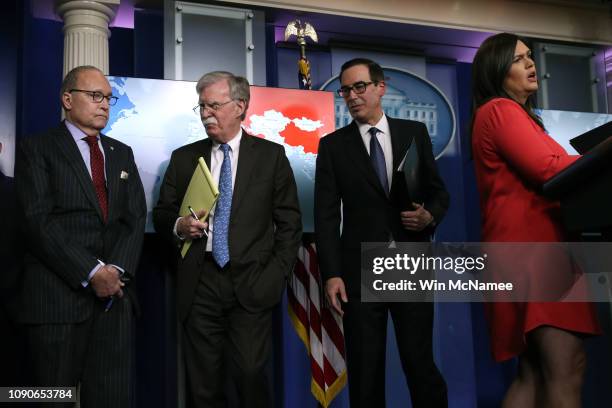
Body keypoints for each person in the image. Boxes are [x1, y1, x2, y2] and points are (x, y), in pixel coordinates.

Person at [153, 71, 302, 408]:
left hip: (252, 281)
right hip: (200, 281)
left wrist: (275, 275)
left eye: (214, 105)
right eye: (202, 106)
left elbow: (290, 223)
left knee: (250, 376)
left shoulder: (271, 156)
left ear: (240, 106)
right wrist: (179, 225)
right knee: (203, 385)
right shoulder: (183, 158)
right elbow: (162, 214)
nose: (207, 113)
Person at [471, 33, 601, 408]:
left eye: (530, 56)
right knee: (565, 366)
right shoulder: (499, 110)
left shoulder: (511, 116)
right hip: (536, 254)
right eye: (518, 59)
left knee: (534, 371)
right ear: (496, 70)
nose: (530, 64)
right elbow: (550, 169)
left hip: (523, 252)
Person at [314, 58, 450, 407]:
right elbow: (326, 216)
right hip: (359, 271)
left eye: (360, 87)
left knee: (419, 364)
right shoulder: (332, 146)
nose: (352, 96)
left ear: (380, 87)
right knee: (365, 372)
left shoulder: (413, 133)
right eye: (346, 90)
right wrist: (331, 275)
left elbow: (438, 193)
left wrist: (428, 216)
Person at [14, 65, 146, 407]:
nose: (105, 104)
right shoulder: (37, 148)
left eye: (109, 98)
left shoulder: (122, 152)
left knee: (111, 398)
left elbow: (135, 218)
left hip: (113, 302)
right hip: (56, 301)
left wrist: (114, 271)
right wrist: (91, 272)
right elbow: (37, 221)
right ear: (67, 99)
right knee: (53, 398)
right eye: (95, 96)